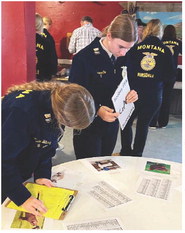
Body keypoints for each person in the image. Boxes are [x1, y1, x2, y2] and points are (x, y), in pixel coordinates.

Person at [2, 81, 95, 215]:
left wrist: (42, 175)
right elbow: (4, 159)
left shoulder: (59, 103)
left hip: (20, 165)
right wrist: (22, 198)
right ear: (61, 115)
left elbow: (47, 146)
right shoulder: (22, 111)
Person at [69, 14, 138, 159]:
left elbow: (128, 81)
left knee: (105, 163)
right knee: (88, 166)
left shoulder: (124, 56)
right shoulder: (84, 58)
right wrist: (97, 110)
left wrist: (132, 92)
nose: (123, 52)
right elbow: (74, 95)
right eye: (121, 47)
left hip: (112, 123)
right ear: (109, 35)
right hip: (87, 126)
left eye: (128, 48)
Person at [120, 19, 175, 157]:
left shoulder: (135, 48)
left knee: (126, 122)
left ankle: (126, 151)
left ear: (146, 30)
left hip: (133, 93)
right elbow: (170, 76)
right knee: (143, 125)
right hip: (154, 94)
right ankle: (137, 154)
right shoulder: (166, 51)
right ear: (160, 32)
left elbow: (126, 69)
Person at [150, 24, 182, 128]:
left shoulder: (160, 42)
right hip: (172, 73)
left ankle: (152, 123)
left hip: (159, 73)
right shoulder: (179, 43)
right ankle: (163, 123)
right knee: (167, 99)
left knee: (156, 97)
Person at [36, 13, 56, 81]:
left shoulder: (28, 38)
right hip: (44, 71)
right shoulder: (48, 38)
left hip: (33, 71)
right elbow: (52, 55)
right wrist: (53, 71)